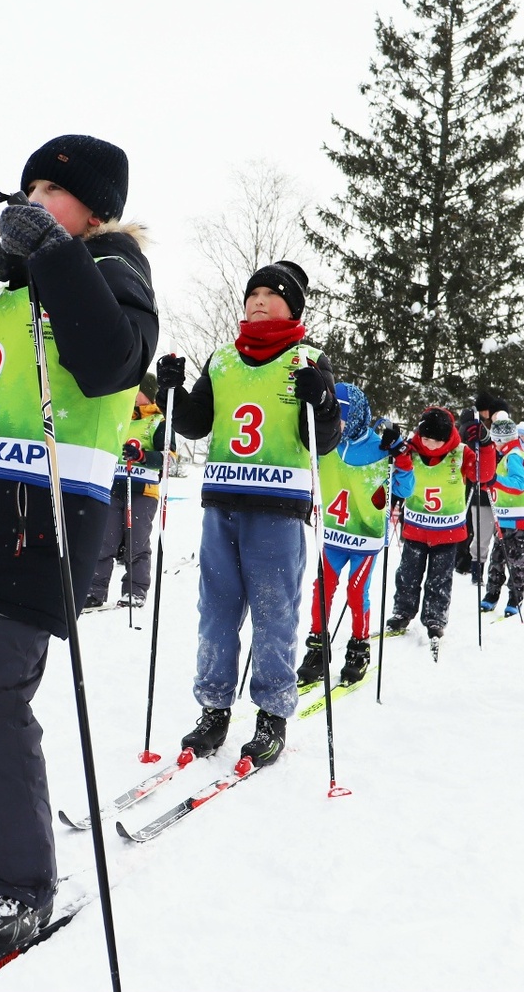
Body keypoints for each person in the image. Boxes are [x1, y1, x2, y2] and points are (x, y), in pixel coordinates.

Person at [0, 135, 157, 953]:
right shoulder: (3, 291)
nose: (35, 200)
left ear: (98, 209)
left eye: (55, 190)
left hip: (48, 512)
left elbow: (111, 362)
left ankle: (24, 882)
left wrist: (55, 256)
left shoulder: (114, 269)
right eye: (28, 189)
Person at [157, 260, 341, 768]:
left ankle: (271, 715)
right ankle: (213, 709)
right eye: (252, 293)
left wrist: (322, 400)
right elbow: (193, 424)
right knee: (215, 613)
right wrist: (169, 390)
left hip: (278, 510)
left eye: (271, 294)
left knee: (273, 615)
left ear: (292, 306)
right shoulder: (221, 360)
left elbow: (323, 439)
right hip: (222, 506)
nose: (258, 301)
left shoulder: (307, 360)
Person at [297, 383, 414, 686]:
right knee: (322, 588)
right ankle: (317, 649)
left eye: (341, 419)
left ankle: (359, 648)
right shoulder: (326, 442)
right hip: (335, 534)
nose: (337, 426)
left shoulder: (378, 446)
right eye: (334, 419)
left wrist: (400, 456)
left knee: (356, 591)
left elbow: (404, 489)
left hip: (365, 536)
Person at [386, 405, 496, 658]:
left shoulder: (461, 453)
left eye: (437, 441)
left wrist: (486, 444)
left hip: (448, 532)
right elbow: (399, 470)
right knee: (408, 574)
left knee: (440, 579)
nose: (431, 445)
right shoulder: (411, 449)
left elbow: (484, 475)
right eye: (426, 439)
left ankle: (435, 618)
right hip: (415, 528)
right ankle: (403, 611)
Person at [84, 372, 168, 611]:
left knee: (136, 542)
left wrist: (142, 456)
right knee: (105, 541)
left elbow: (168, 458)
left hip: (143, 490)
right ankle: (94, 590)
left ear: (148, 394)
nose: (132, 395)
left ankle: (135, 590)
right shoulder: (122, 418)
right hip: (113, 487)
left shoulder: (158, 422)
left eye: (137, 391)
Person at [480, 412, 524, 617]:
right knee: (497, 557)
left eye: (495, 440)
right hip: (506, 517)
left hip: (521, 519)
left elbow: (519, 484)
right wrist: (489, 484)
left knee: (515, 560)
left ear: (501, 439)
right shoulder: (508, 454)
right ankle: (491, 595)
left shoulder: (514, 455)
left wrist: (494, 480)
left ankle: (515, 597)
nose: (493, 444)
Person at [455, 390, 507, 583]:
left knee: (476, 524)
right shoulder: (474, 425)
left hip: (483, 482)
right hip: (475, 481)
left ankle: (468, 561)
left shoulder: (484, 426)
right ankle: (465, 561)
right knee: (473, 523)